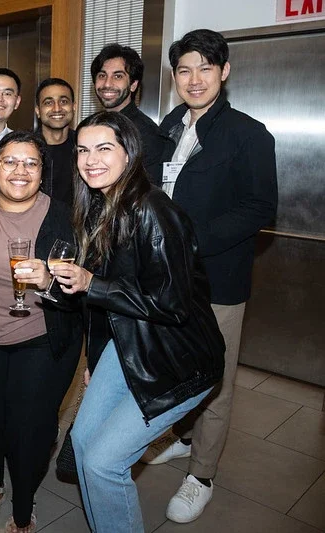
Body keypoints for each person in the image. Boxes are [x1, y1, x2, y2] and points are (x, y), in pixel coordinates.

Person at [52, 110, 225, 533]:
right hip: (125, 345)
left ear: (129, 153)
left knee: (103, 462)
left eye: (104, 148)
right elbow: (99, 309)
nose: (91, 159)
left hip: (176, 358)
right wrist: (93, 360)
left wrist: (94, 284)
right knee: (81, 442)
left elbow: (173, 305)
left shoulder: (153, 210)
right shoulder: (98, 206)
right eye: (83, 150)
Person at [141, 28, 278, 524]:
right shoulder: (166, 128)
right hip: (161, 278)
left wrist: (192, 242)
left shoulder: (248, 133)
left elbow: (259, 207)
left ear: (224, 71)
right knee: (171, 366)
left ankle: (202, 473)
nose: (193, 79)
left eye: (204, 68)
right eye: (183, 70)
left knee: (214, 377)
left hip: (216, 278)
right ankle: (181, 439)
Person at [0, 131, 82, 533]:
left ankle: (24, 503)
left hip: (41, 337)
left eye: (31, 163)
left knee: (32, 427)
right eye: (10, 161)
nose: (20, 171)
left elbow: (83, 289)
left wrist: (48, 282)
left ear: (43, 171)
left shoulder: (65, 215)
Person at [90, 43, 174, 185]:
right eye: (102, 75)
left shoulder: (147, 134)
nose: (107, 83)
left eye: (117, 76)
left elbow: (148, 193)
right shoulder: (91, 127)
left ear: (133, 84)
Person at [34, 78, 76, 206]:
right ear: (38, 111)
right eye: (48, 103)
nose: (57, 108)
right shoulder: (25, 147)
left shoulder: (84, 147)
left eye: (63, 101)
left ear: (74, 107)